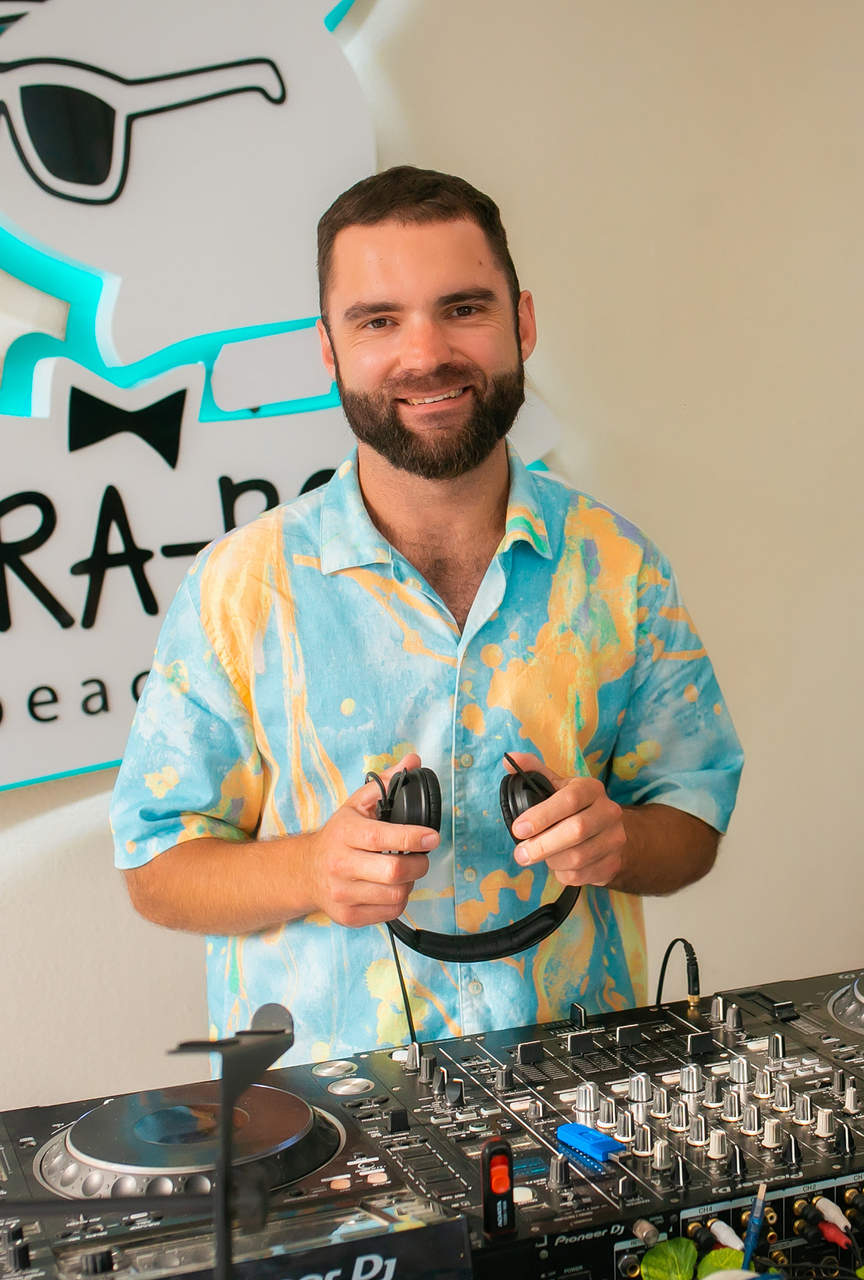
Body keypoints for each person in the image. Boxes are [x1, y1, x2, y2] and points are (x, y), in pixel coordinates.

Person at [110, 166, 744, 1065]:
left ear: (522, 323)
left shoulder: (618, 565)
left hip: (582, 1088)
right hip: (323, 1113)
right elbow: (155, 869)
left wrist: (622, 842)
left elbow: (693, 821)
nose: (426, 353)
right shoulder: (239, 587)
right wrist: (311, 869)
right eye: (378, 321)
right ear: (329, 350)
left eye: (464, 308)